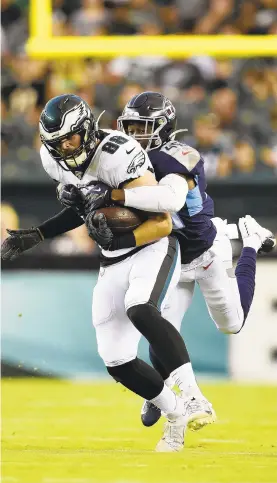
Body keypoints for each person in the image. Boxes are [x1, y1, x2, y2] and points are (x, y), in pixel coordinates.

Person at [1, 94, 215, 452]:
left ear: (86, 129)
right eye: (57, 143)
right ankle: (175, 415)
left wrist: (113, 196)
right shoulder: (52, 159)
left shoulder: (119, 152)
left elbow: (163, 220)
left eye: (70, 138)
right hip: (112, 256)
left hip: (152, 245)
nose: (65, 148)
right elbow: (86, 206)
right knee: (116, 359)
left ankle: (194, 396)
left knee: (140, 308)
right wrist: (39, 234)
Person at [82, 91, 276, 427]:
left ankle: (250, 244)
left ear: (163, 126)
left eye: (142, 127)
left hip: (204, 251)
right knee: (162, 329)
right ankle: (173, 397)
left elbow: (169, 200)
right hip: (167, 255)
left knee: (232, 324)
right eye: (129, 126)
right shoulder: (124, 160)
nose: (133, 135)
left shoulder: (178, 155)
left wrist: (114, 195)